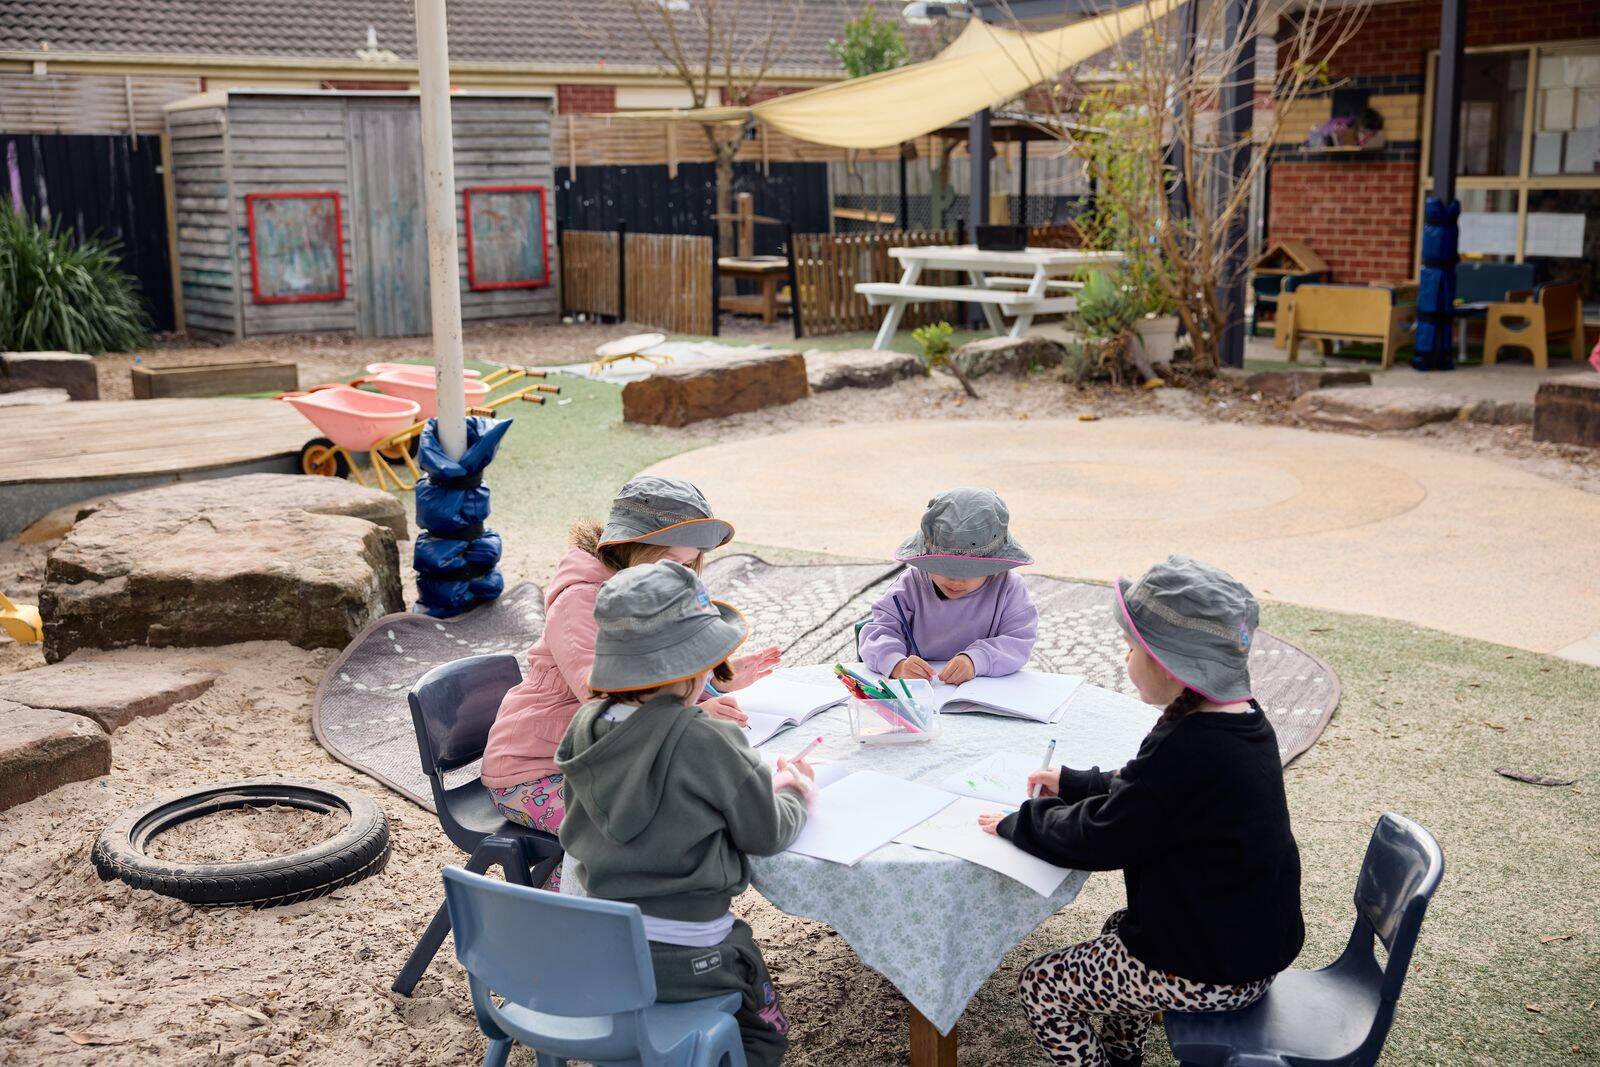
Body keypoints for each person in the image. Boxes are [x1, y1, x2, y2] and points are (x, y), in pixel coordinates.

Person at [978, 556, 1303, 1067]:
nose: (1126, 659)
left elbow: (1103, 837)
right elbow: (1147, 789)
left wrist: (1021, 821)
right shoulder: (1241, 723)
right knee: (1118, 926)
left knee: (1042, 985)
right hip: (1249, 945)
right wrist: (1073, 782)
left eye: (1132, 648)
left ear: (1167, 663)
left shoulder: (1189, 746)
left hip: (1209, 969)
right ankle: (1123, 1052)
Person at [558, 561, 813, 1067]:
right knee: (766, 1036)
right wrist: (795, 792)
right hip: (693, 955)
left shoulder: (584, 726)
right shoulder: (707, 738)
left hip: (603, 949)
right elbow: (765, 833)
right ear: (698, 665)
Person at [480, 476, 780, 841]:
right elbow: (604, 706)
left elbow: (662, 673)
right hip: (534, 771)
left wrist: (715, 682)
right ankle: (562, 896)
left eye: (688, 565)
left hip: (609, 759)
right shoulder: (580, 602)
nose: (678, 574)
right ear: (632, 545)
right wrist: (692, 718)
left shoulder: (653, 588)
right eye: (670, 560)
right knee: (647, 831)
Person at [859, 487, 1039, 684]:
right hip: (919, 694)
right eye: (944, 568)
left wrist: (976, 660)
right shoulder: (910, 585)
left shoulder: (1009, 589)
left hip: (983, 695)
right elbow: (878, 632)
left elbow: (1019, 641)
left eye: (970, 571)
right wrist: (896, 664)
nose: (956, 581)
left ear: (994, 564)